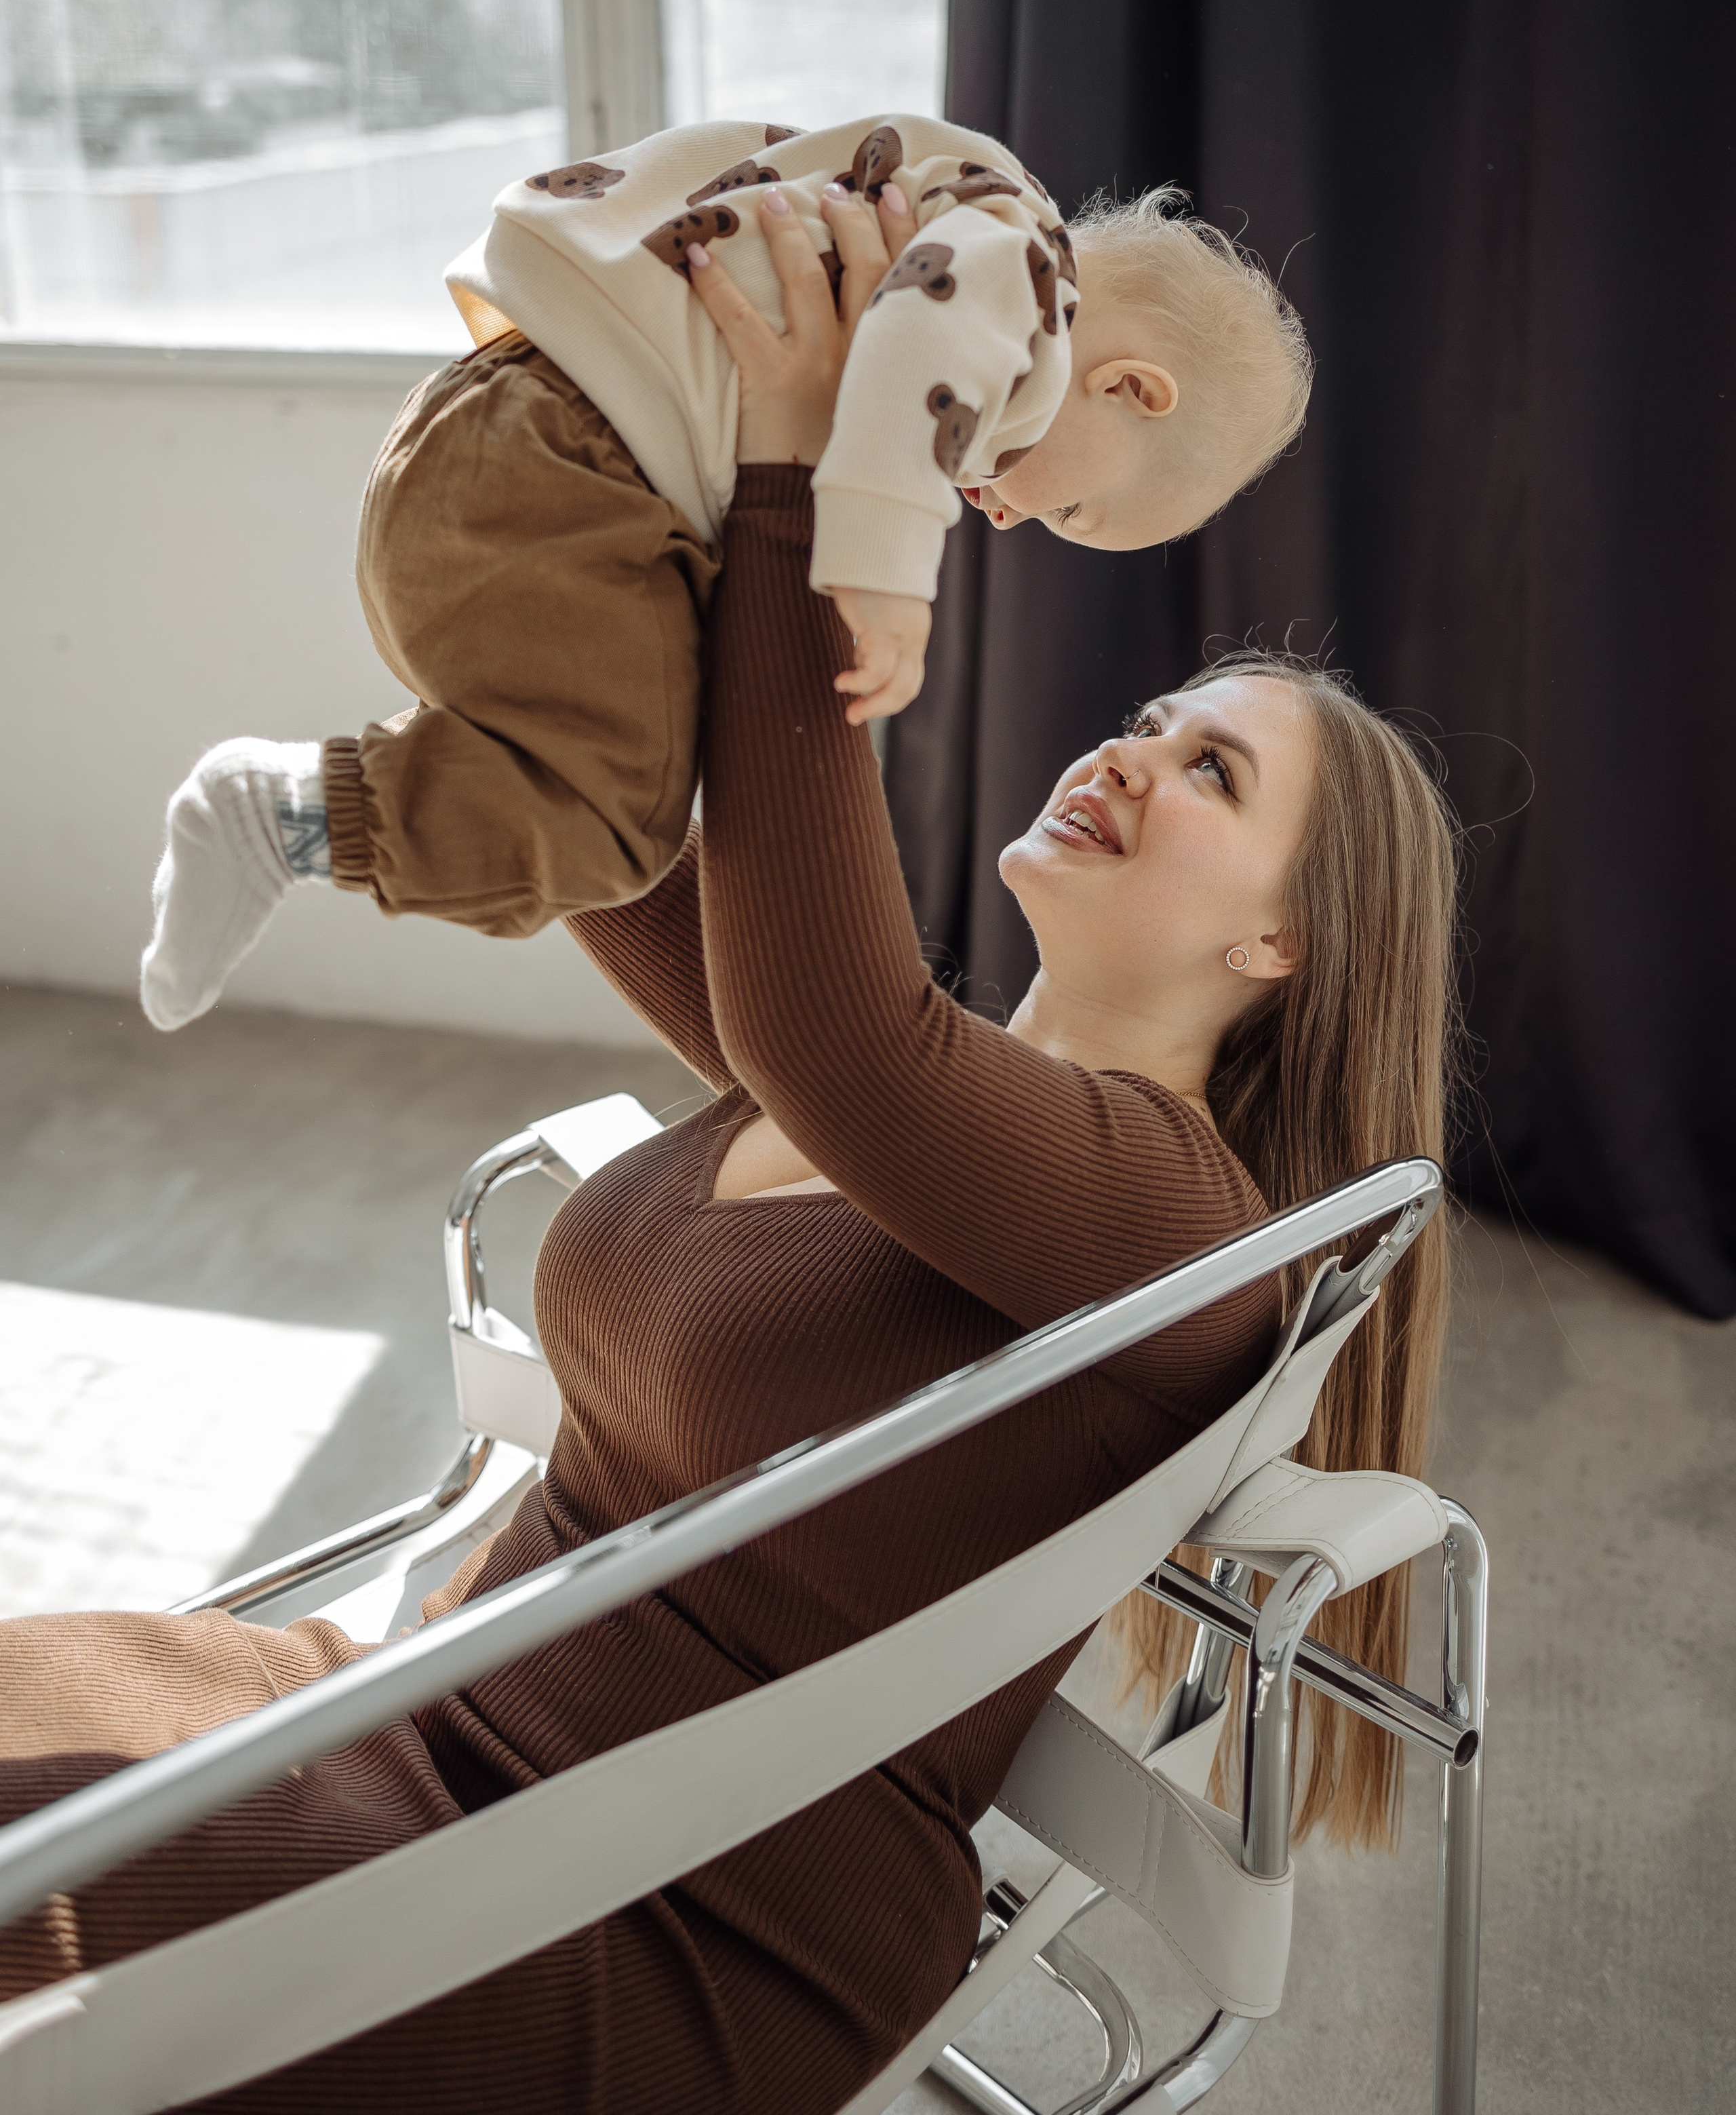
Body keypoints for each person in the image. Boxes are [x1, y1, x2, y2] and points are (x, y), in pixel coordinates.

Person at [0, 203, 1453, 2113]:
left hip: (647, 1917)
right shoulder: (882, 1097)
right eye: (1148, 723)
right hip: (414, 1724)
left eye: (1213, 778)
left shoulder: (1177, 1224)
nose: (1129, 758)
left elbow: (838, 1023)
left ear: (1285, 946)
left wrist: (804, 473)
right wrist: (633, 440)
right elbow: (610, 819)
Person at [137, 113, 1311, 1030]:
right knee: (611, 830)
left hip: (521, 449)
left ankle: (305, 813)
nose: (1004, 516)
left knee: (612, 805)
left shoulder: (950, 206)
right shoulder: (1015, 268)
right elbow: (919, 354)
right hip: (563, 466)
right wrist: (887, 578)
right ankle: (280, 814)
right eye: (1068, 508)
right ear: (1128, 387)